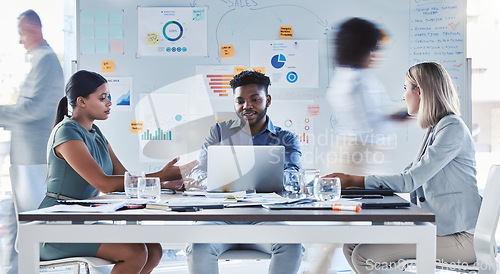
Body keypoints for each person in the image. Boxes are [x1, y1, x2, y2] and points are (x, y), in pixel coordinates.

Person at [325, 62, 482, 274]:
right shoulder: (436, 128)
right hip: (441, 232)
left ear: (420, 91)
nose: (403, 96)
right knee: (352, 246)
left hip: (462, 239)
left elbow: (409, 181)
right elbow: (409, 175)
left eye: (405, 88)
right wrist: (359, 184)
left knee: (364, 255)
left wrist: (353, 180)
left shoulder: (452, 127)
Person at [38, 70, 199, 273]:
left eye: (109, 97)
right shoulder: (66, 132)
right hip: (56, 228)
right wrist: (161, 175)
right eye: (102, 98)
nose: (110, 103)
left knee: (154, 250)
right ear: (81, 101)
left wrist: (164, 184)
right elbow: (104, 184)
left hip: (83, 221)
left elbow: (125, 180)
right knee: (135, 253)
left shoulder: (96, 134)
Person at [186, 70, 304, 274]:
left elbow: (294, 177)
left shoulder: (286, 138)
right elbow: (199, 173)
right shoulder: (219, 132)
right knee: (198, 246)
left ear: (267, 99)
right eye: (239, 101)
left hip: (265, 219)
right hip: (220, 217)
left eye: (254, 99)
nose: (246, 106)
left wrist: (266, 178)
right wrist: (217, 181)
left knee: (291, 244)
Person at [0, 9, 64, 274]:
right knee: (18, 225)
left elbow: (34, 109)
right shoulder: (41, 61)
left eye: (22, 33)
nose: (19, 41)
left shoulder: (47, 61)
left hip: (33, 160)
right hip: (26, 161)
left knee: (26, 227)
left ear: (35, 30)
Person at [327, 17, 400, 176]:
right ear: (363, 50)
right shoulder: (358, 81)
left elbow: (369, 118)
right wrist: (403, 117)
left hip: (360, 155)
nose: (378, 54)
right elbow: (372, 128)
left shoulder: (347, 75)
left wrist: (395, 117)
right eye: (376, 48)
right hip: (360, 158)